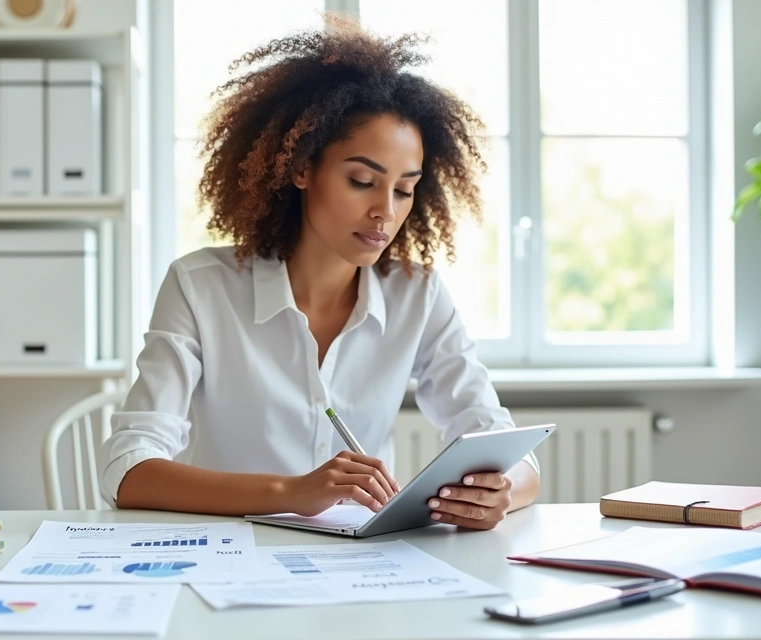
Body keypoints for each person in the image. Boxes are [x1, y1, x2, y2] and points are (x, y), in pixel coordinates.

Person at [97, 18, 539, 530]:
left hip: (360, 564)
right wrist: (292, 491)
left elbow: (503, 444)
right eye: (362, 181)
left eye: (403, 189)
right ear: (302, 168)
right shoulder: (200, 287)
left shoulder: (417, 294)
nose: (385, 212)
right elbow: (127, 471)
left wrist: (503, 493)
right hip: (231, 557)